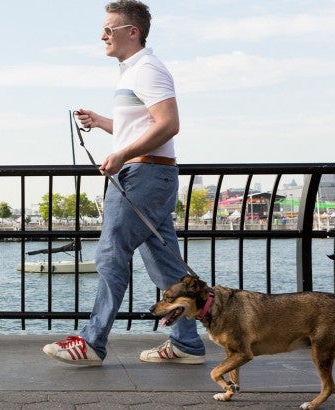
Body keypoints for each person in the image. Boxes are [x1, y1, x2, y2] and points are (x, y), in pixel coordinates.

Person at [42, 0, 205, 366]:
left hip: (143, 175)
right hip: (150, 173)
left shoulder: (148, 69)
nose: (102, 36)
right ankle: (187, 344)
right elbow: (144, 127)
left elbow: (169, 125)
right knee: (165, 266)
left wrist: (119, 156)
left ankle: (91, 342)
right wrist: (102, 122)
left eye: (109, 29)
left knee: (110, 255)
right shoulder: (133, 72)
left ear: (132, 32)